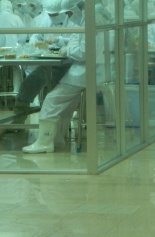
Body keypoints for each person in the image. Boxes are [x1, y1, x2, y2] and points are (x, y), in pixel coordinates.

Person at [22, 22, 104, 154]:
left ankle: (44, 142)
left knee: (52, 101)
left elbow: (83, 52)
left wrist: (68, 49)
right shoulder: (98, 20)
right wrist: (67, 43)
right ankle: (57, 138)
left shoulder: (88, 21)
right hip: (96, 70)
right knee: (68, 104)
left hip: (83, 72)